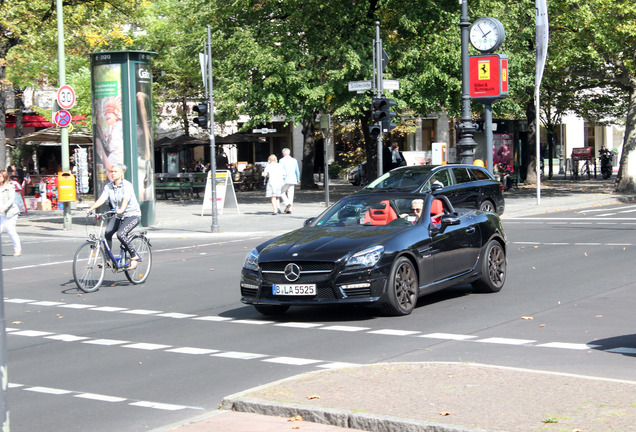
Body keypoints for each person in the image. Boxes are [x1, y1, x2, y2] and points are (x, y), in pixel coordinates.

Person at [86, 163, 142, 269]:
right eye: (111, 171)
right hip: (118, 215)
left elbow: (126, 199)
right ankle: (107, 260)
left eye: (115, 171)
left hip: (132, 215)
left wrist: (121, 209)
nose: (113, 173)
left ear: (121, 173)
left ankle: (134, 255)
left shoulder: (127, 185)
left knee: (121, 234)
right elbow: (102, 199)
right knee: (107, 233)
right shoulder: (109, 186)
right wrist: (91, 208)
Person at [0, 170, 22, 257]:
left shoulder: (10, 187)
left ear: (4, 177)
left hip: (10, 212)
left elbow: (11, 200)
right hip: (1, 213)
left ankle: (17, 249)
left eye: (0, 176)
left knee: (10, 230)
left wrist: (3, 208)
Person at [279, 148, 300, 214]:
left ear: (283, 153)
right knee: (291, 194)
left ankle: (287, 203)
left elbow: (280, 170)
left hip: (284, 179)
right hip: (293, 178)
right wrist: (298, 178)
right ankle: (290, 209)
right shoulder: (294, 160)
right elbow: (297, 170)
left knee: (281, 192)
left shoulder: (281, 160)